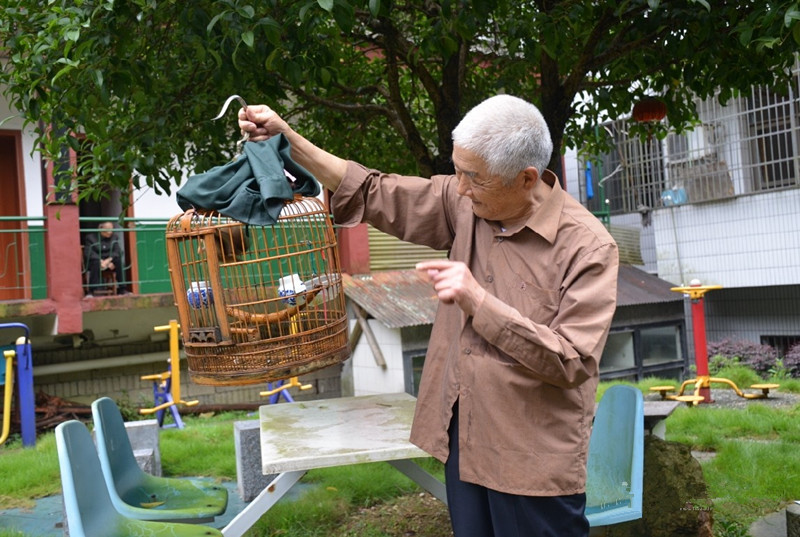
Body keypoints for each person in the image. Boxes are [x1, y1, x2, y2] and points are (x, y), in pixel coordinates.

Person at [239, 95, 619, 537]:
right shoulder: (467, 204)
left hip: (529, 457)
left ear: (526, 179)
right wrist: (289, 139)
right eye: (457, 171)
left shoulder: (588, 248)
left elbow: (573, 361)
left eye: (473, 178)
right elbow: (374, 191)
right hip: (466, 438)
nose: (459, 187)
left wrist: (478, 300)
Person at [84, 221, 128, 295]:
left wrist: (108, 261)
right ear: (100, 229)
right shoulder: (90, 238)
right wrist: (101, 261)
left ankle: (122, 289)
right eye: (108, 229)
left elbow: (117, 251)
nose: (110, 232)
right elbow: (89, 253)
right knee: (95, 262)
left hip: (109, 262)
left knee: (119, 261)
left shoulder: (114, 237)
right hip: (97, 262)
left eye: (111, 229)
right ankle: (91, 291)